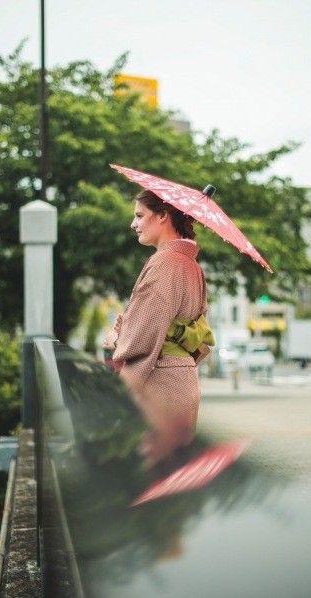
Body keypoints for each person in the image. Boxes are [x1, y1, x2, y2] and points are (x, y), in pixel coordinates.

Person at [103, 189, 214, 464]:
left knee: (145, 478)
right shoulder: (191, 266)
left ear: (163, 216)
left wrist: (117, 341)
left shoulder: (164, 263)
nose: (133, 224)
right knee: (173, 479)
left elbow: (142, 340)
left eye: (140, 215)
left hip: (158, 383)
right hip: (183, 380)